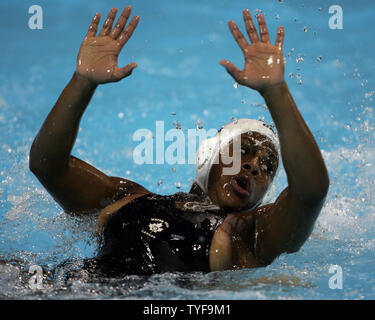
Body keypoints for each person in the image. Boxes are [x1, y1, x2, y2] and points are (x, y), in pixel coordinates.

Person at [29, 6, 329, 277]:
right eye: (243, 152)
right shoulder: (127, 196)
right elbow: (47, 166)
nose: (252, 167)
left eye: (267, 167)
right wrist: (83, 82)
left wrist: (276, 92)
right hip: (60, 284)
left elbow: (310, 192)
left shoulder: (252, 236)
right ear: (210, 156)